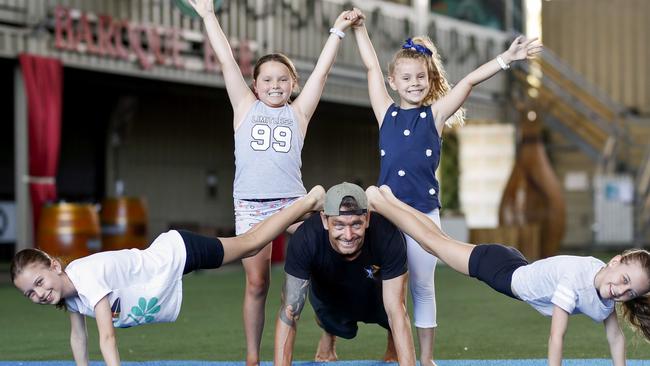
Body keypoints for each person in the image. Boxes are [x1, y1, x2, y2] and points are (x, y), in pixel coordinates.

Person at [350, 8, 542, 365]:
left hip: (423, 216)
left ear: (429, 76)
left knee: (423, 287)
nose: (414, 83)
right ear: (393, 81)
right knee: (386, 287)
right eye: (406, 77)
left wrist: (506, 59)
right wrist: (360, 30)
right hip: (386, 216)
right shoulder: (384, 111)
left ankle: (426, 358)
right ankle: (392, 349)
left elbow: (468, 82)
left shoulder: (434, 115)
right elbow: (370, 67)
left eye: (420, 77)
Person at [187, 1, 359, 364]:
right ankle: (253, 357)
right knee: (257, 283)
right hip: (251, 207)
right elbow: (226, 62)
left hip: (293, 205)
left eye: (283, 79)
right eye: (267, 79)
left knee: (329, 267)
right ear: (255, 84)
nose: (275, 85)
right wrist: (208, 16)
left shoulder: (299, 113)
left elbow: (323, 74)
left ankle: (328, 340)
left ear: (293, 84)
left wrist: (338, 31)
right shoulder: (244, 107)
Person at [11, 186, 325, 366]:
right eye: (30, 294)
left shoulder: (85, 278)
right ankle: (298, 212)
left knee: (251, 244)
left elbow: (106, 336)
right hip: (169, 260)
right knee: (248, 241)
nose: (38, 294)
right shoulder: (71, 295)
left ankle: (306, 202)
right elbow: (79, 336)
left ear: (54, 265)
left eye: (38, 283)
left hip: (177, 252)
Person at [365, 185, 650, 366]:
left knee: (438, 239)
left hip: (515, 263)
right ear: (615, 262)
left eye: (631, 292)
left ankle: (388, 197)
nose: (622, 291)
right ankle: (380, 203)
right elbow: (556, 336)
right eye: (624, 280)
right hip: (501, 270)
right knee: (433, 243)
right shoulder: (576, 280)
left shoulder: (607, 294)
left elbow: (616, 338)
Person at [274, 182, 415, 365]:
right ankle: (329, 332)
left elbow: (397, 311)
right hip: (329, 289)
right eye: (339, 225)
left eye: (356, 224)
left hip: (374, 287)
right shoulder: (306, 238)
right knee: (329, 318)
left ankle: (392, 343)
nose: (348, 235)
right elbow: (289, 312)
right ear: (325, 220)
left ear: (367, 218)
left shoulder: (387, 234)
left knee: (391, 308)